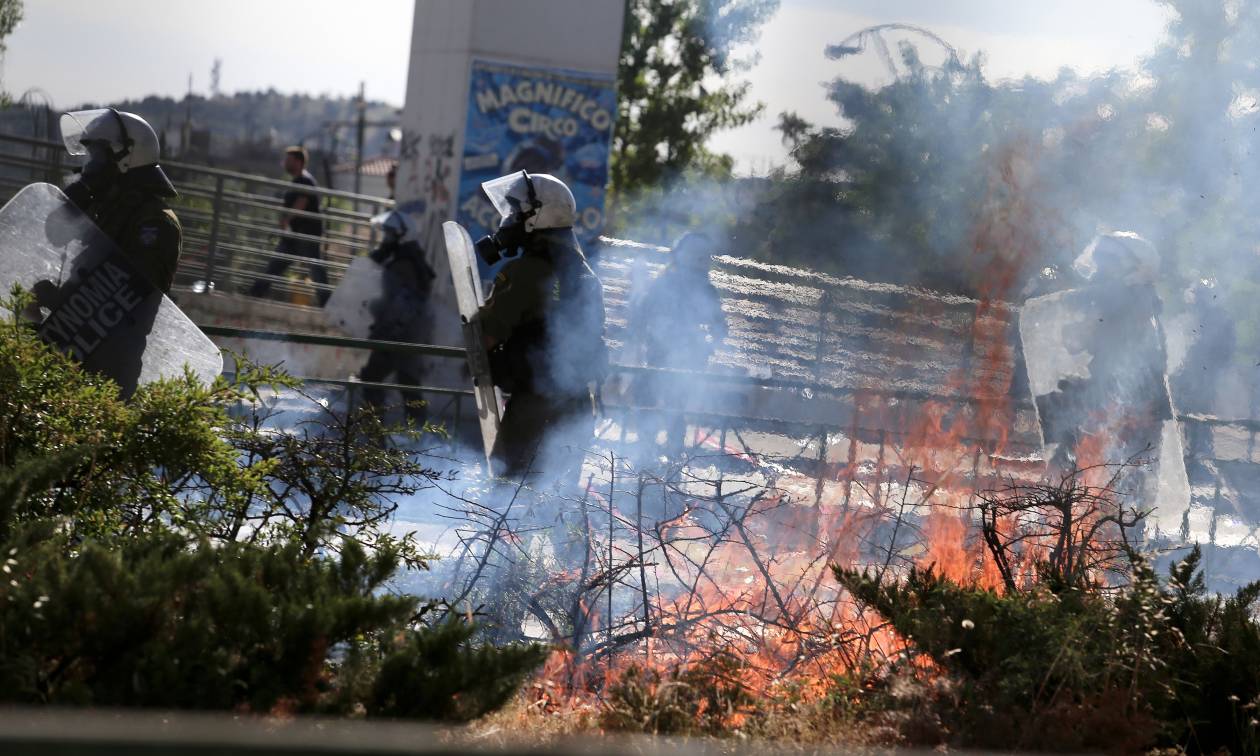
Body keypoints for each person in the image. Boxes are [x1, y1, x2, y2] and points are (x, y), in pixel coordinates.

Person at [469, 170, 608, 481]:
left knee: (506, 501)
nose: (510, 220)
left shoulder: (526, 271)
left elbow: (485, 335)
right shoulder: (586, 274)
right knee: (558, 507)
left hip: (534, 411)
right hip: (579, 411)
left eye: (516, 212)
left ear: (537, 217)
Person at [59, 108, 182, 293]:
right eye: (90, 158)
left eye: (97, 158)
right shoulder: (109, 210)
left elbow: (130, 296)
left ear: (127, 157)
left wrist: (57, 298)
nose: (90, 167)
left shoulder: (155, 222)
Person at [629, 231, 727, 457]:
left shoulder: (705, 290)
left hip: (687, 360)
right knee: (650, 401)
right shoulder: (664, 283)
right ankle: (648, 454)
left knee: (673, 407)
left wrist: (705, 348)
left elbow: (719, 328)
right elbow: (643, 316)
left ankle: (668, 456)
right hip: (659, 355)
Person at [358, 208, 435, 425]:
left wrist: (382, 332)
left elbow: (402, 305)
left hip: (399, 333)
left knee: (373, 378)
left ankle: (376, 433)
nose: (386, 239)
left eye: (390, 234)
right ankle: (417, 435)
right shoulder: (409, 259)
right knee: (407, 382)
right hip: (406, 332)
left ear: (402, 235)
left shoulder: (404, 264)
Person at [249, 146, 328, 305]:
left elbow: (302, 201)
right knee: (275, 265)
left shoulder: (304, 180)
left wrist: (286, 219)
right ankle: (254, 295)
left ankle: (326, 304)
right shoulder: (298, 180)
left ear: (298, 162)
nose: (285, 163)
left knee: (315, 270)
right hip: (294, 235)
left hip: (306, 235)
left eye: (288, 160)